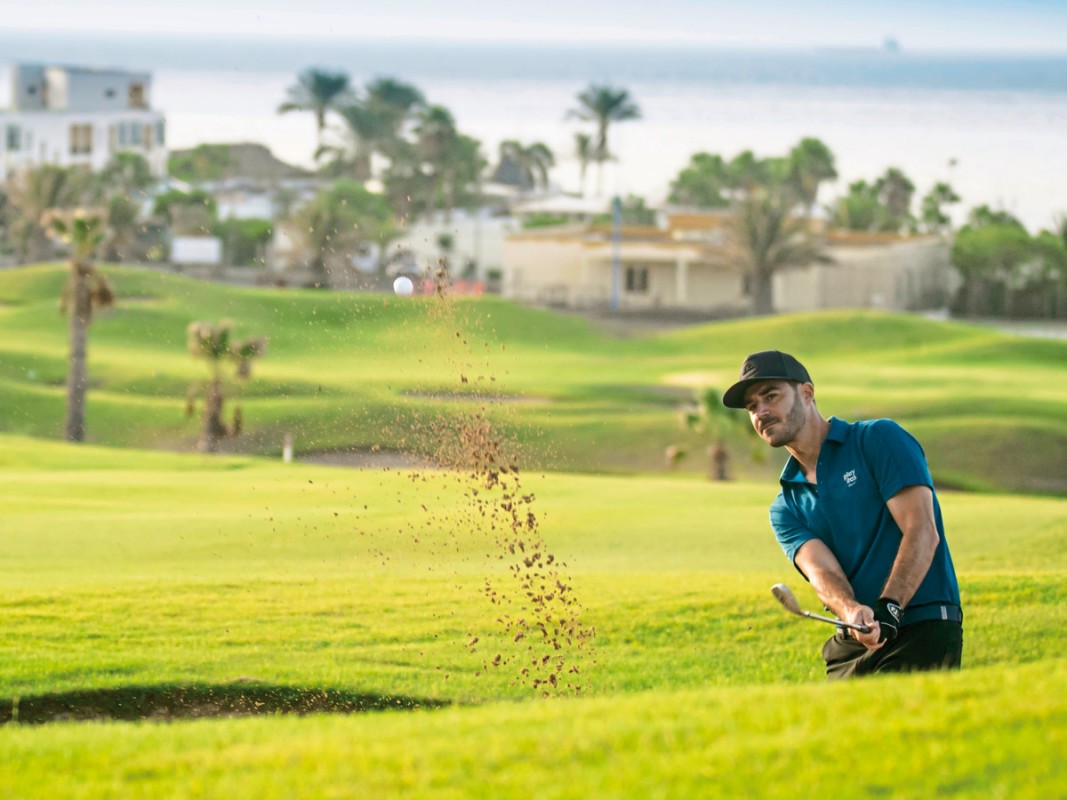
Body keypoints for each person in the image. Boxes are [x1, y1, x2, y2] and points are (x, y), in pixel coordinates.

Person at [722, 350, 963, 678]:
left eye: (770, 396)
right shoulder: (785, 507)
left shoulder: (877, 439)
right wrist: (850, 610)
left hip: (920, 624)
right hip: (855, 643)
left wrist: (890, 606)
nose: (761, 411)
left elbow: (922, 530)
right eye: (752, 407)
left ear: (807, 393)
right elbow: (822, 572)